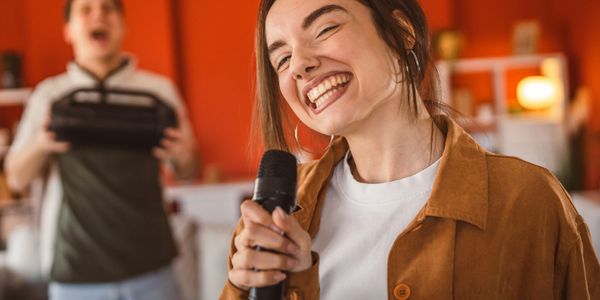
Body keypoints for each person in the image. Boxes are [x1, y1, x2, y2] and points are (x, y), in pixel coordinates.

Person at [221, 0, 600, 299]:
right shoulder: (275, 220)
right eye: (282, 59)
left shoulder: (528, 199)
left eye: (325, 28)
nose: (300, 65)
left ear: (401, 32)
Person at [5, 0, 199, 299]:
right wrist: (41, 143)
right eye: (86, 9)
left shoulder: (158, 92)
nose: (99, 15)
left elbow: (187, 171)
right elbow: (16, 178)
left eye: (108, 8)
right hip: (77, 272)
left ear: (123, 24)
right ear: (68, 30)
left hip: (153, 266)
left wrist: (185, 156)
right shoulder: (49, 95)